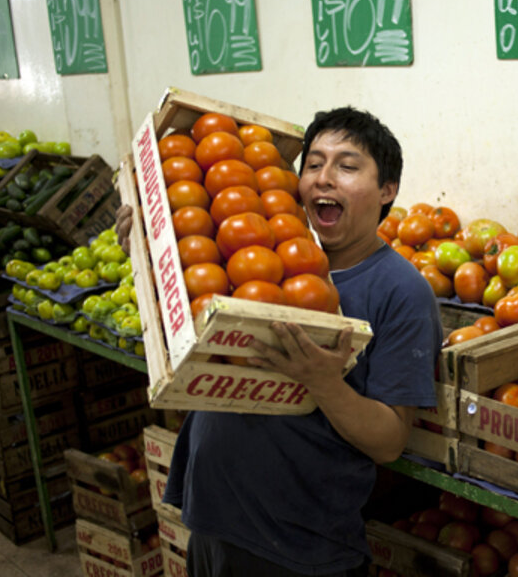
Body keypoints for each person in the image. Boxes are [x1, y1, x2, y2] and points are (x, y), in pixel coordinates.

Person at [116, 107, 442, 576]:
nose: (324, 178)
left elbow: (390, 440)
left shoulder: (401, 291)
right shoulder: (253, 248)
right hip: (211, 516)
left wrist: (325, 384)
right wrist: (148, 251)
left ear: (387, 190)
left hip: (298, 545)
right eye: (313, 164)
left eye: (347, 166)